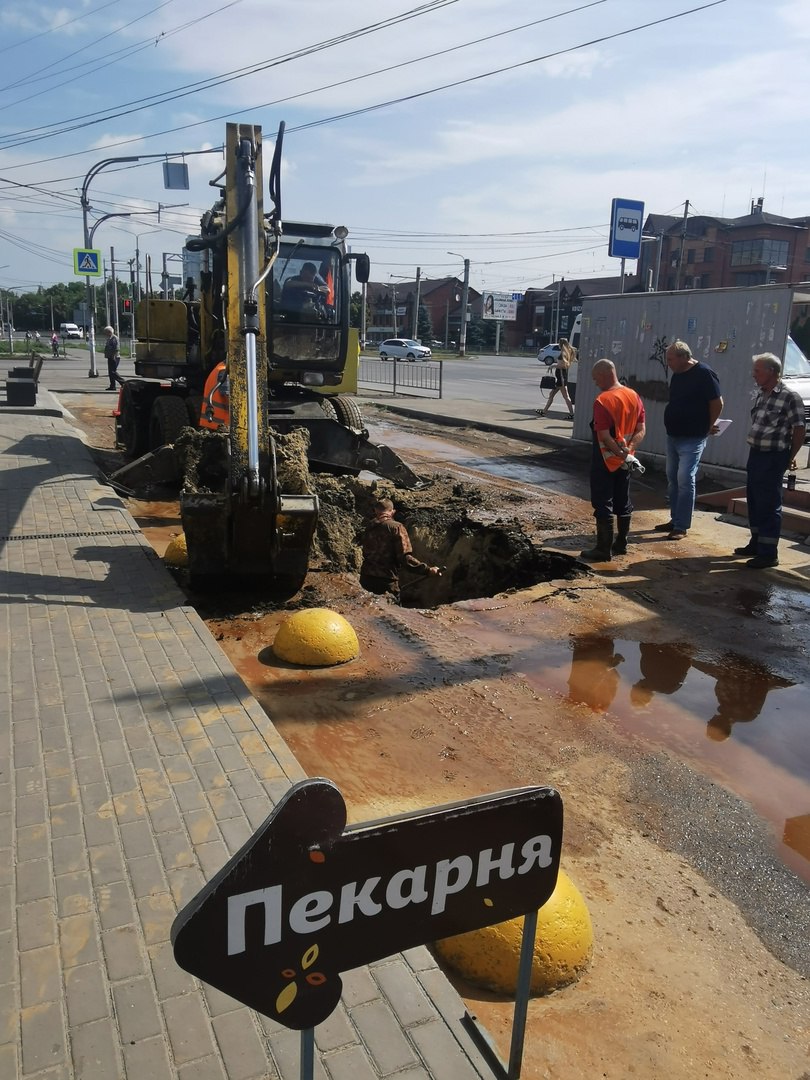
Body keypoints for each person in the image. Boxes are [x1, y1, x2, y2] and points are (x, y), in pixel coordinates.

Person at [732, 352, 806, 568]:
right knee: (754, 499)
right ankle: (756, 543)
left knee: (768, 503)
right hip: (756, 454)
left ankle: (768, 553)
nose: (754, 375)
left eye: (757, 371)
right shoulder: (762, 393)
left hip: (774, 457)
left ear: (771, 372)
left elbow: (799, 429)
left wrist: (789, 457)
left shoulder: (789, 396)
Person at [654, 340, 723, 541]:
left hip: (693, 436)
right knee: (672, 477)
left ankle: (682, 525)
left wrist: (710, 425)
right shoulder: (677, 374)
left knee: (685, 478)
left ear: (684, 357)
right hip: (674, 435)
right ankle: (675, 519)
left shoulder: (703, 373)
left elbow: (717, 402)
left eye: (670, 359)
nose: (668, 363)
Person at [581, 358, 646, 561]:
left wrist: (618, 453)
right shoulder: (633, 396)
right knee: (622, 500)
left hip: (606, 461)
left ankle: (603, 549)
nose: (595, 383)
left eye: (595, 378)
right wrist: (629, 452)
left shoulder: (603, 400)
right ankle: (621, 544)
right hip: (626, 461)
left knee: (603, 501)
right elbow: (641, 429)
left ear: (603, 375)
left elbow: (603, 436)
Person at [360, 498, 440, 600]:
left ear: (375, 511)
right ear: (393, 512)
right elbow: (405, 559)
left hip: (365, 580)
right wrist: (428, 570)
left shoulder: (368, 527)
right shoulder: (396, 527)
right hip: (386, 582)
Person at [539, 338, 575, 419]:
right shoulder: (566, 352)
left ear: (561, 344)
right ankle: (544, 411)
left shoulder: (564, 353)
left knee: (566, 396)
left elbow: (564, 365)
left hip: (561, 378)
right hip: (560, 378)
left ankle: (572, 414)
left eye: (559, 343)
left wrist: (553, 365)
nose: (558, 344)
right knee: (551, 394)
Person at [102, 325, 123, 390]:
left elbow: (116, 348)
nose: (105, 334)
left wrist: (113, 355)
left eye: (106, 332)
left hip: (115, 357)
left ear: (109, 332)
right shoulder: (109, 338)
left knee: (113, 372)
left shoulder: (114, 338)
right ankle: (112, 386)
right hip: (110, 357)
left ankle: (123, 382)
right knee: (110, 372)